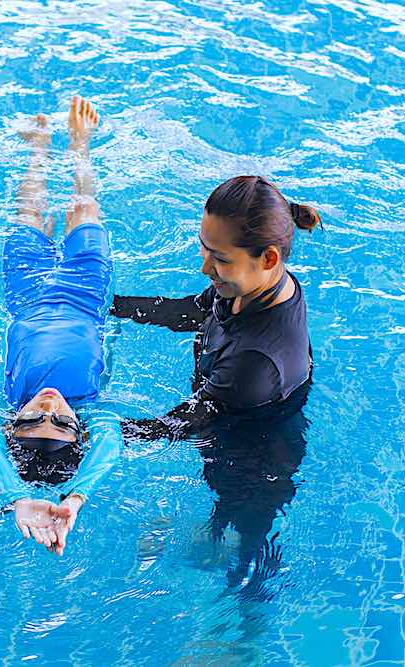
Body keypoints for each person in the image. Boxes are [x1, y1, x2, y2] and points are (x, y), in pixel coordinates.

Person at [111, 175, 319, 582]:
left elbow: (186, 421)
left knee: (246, 553)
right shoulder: (250, 287)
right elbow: (190, 312)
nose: (205, 268)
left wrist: (97, 435)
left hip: (254, 467)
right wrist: (107, 306)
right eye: (205, 250)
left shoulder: (256, 362)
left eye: (220, 259)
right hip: (231, 417)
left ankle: (246, 630)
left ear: (269, 258)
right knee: (213, 537)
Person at [0, 96, 122, 557]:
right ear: (80, 430)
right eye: (60, 422)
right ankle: (81, 145)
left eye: (35, 419)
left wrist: (16, 496)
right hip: (86, 295)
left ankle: (38, 149)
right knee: (84, 208)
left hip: (26, 294)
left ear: (12, 425)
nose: (49, 405)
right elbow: (111, 446)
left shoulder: (4, 404)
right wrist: (77, 495)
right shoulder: (92, 406)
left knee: (30, 215)